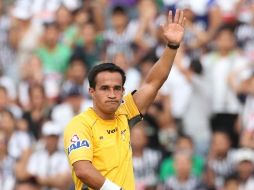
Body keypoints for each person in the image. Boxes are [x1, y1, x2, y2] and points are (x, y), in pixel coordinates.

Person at [64, 9, 185, 190]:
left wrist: (172, 47)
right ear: (91, 91)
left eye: (117, 88)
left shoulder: (125, 113)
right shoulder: (80, 125)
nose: (112, 94)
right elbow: (82, 170)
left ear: (122, 91)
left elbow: (153, 83)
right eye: (104, 88)